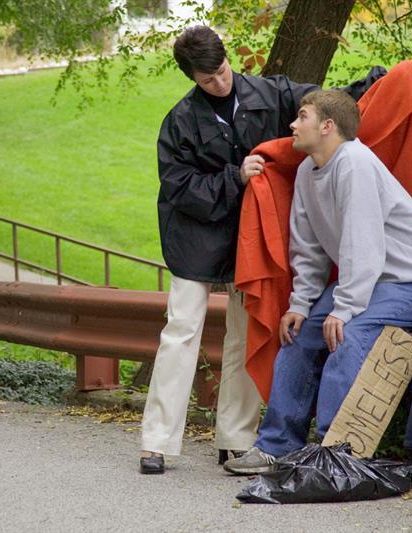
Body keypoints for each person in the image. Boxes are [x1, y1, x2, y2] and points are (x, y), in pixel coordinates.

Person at [223, 89, 412, 475]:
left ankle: (337, 455)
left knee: (348, 334)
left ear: (327, 126)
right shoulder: (306, 171)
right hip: (375, 278)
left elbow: (362, 245)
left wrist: (345, 309)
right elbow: (310, 248)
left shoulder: (355, 163)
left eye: (302, 117)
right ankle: (277, 446)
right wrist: (300, 305)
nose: (293, 125)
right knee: (300, 335)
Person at [139, 25, 324, 475]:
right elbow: (178, 187)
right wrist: (234, 177)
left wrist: (373, 85)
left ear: (228, 61)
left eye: (222, 71)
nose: (219, 83)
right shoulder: (179, 121)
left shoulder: (273, 92)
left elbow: (323, 104)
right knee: (181, 331)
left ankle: (236, 441)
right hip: (194, 235)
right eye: (207, 80)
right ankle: (156, 443)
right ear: (192, 79)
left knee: (247, 332)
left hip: (253, 236)